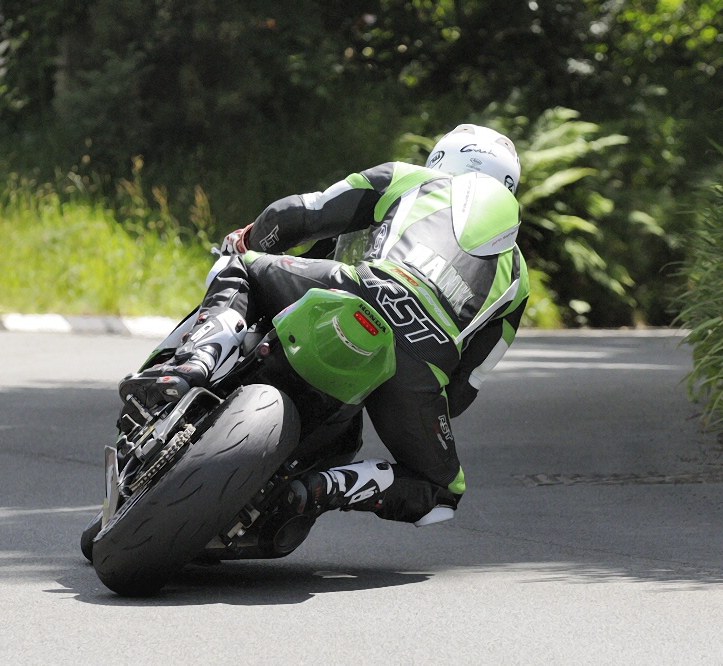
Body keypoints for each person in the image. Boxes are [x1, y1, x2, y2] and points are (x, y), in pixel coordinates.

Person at [119, 124, 529, 526]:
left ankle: (196, 361)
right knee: (442, 490)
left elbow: (302, 214)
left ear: (442, 158)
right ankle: (318, 489)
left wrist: (250, 242)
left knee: (240, 268)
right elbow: (465, 387)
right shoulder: (519, 277)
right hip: (422, 364)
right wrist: (415, 395)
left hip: (359, 289)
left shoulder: (411, 178)